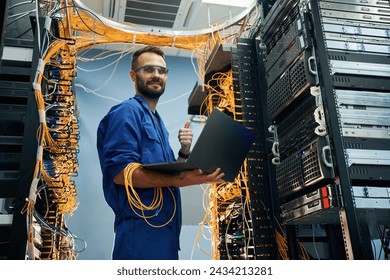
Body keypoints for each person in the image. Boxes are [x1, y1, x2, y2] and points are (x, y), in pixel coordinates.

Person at [96, 45, 224, 260]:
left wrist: (184, 154)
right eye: (148, 69)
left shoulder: (157, 121)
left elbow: (165, 173)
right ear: (132, 76)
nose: (156, 75)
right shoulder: (126, 113)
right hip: (141, 230)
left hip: (166, 231)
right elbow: (121, 174)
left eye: (161, 71)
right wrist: (181, 179)